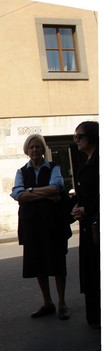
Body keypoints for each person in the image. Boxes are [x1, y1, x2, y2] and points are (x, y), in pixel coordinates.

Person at [11, 134, 72, 320]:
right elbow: (17, 194)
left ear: (43, 149)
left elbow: (56, 188)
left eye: (38, 147)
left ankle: (62, 302)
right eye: (32, 147)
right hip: (31, 223)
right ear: (27, 151)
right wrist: (42, 193)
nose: (35, 150)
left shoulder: (54, 168)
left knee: (57, 262)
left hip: (52, 222)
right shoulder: (21, 171)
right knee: (38, 263)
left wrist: (29, 191)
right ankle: (48, 302)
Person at [71, 121, 100, 328]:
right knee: (91, 269)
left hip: (97, 223)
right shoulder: (86, 162)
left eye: (79, 136)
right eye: (74, 137)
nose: (76, 140)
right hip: (88, 226)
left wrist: (88, 209)